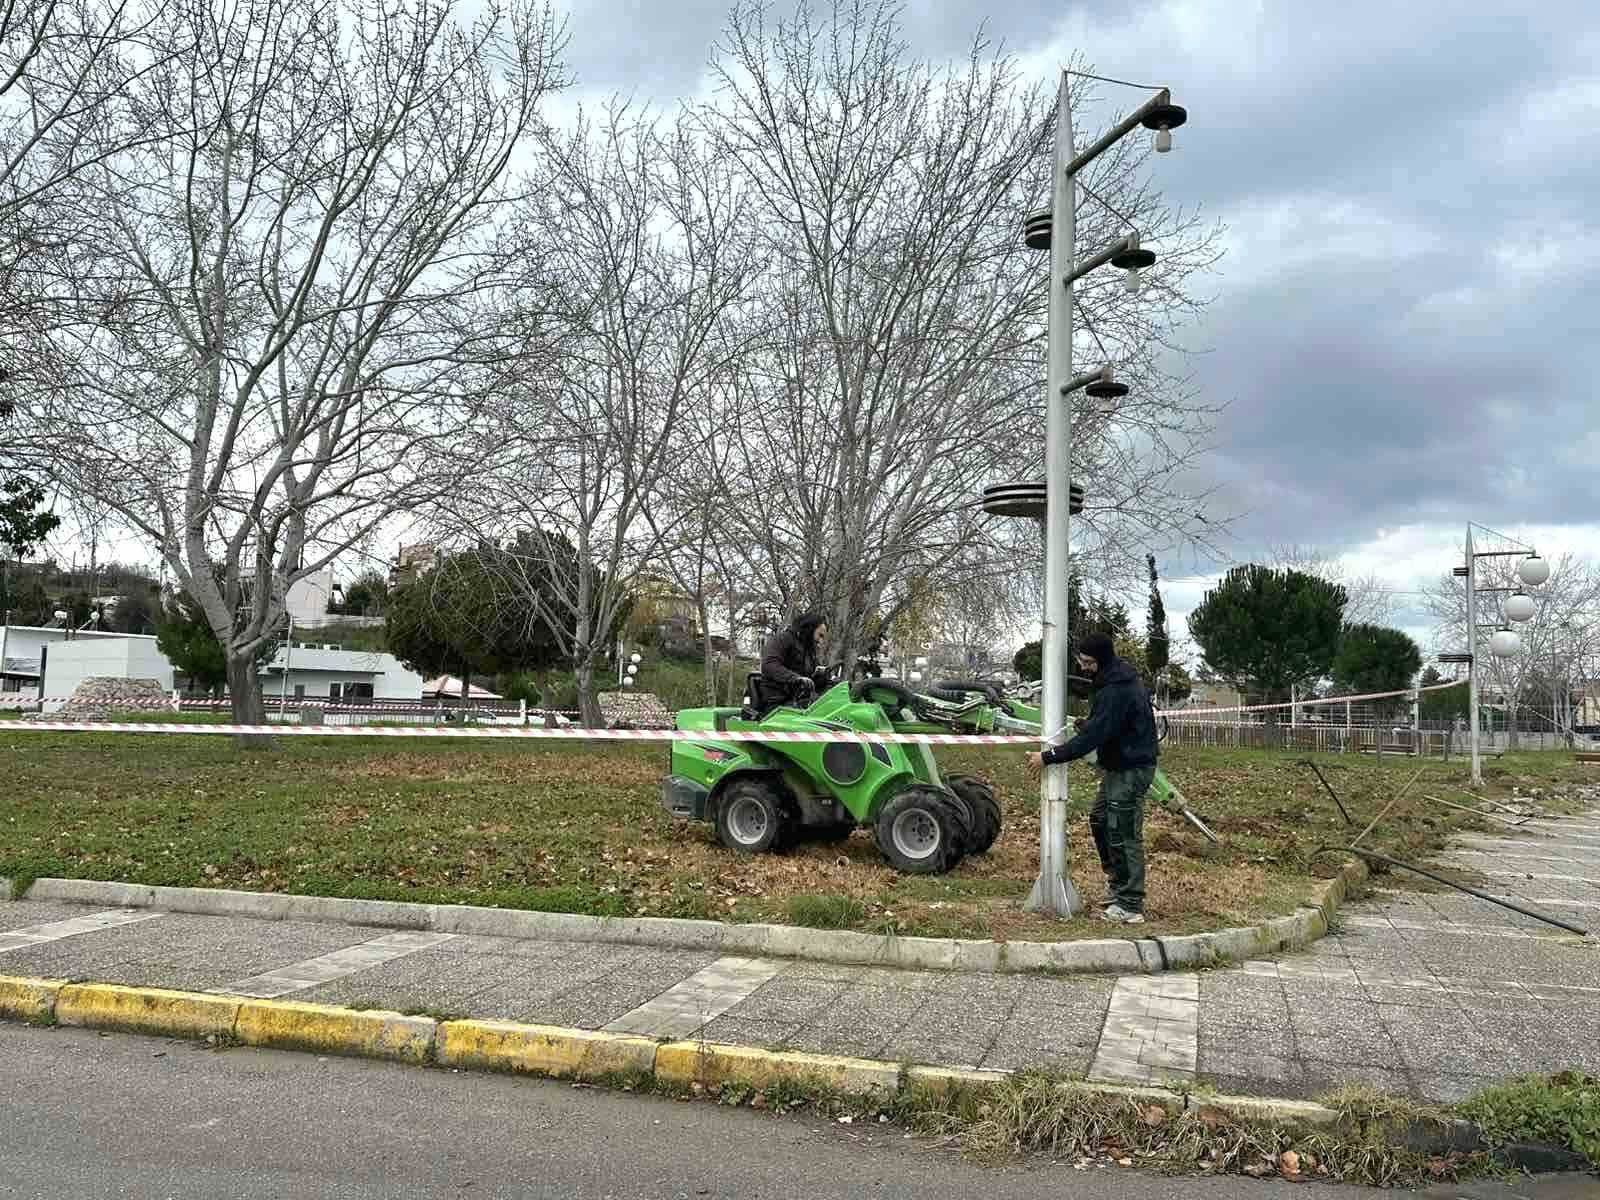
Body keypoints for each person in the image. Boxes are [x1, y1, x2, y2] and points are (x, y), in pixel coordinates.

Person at [1025, 631, 1159, 924]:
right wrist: (1091, 724)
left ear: (1102, 659)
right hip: (1118, 767)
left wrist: (1048, 757)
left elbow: (1092, 740)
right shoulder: (1111, 681)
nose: (1083, 667)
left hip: (1131, 769)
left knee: (1123, 833)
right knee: (1100, 820)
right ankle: (1118, 884)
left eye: (1088, 662)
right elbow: (1109, 726)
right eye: (1082, 661)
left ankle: (1130, 903)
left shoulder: (1116, 690)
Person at [759, 611, 833, 709]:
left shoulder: (809, 651)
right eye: (820, 635)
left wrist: (822, 676)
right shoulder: (783, 639)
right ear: (810, 629)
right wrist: (795, 678)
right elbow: (769, 664)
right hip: (778, 700)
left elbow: (810, 680)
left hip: (798, 699)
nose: (820, 641)